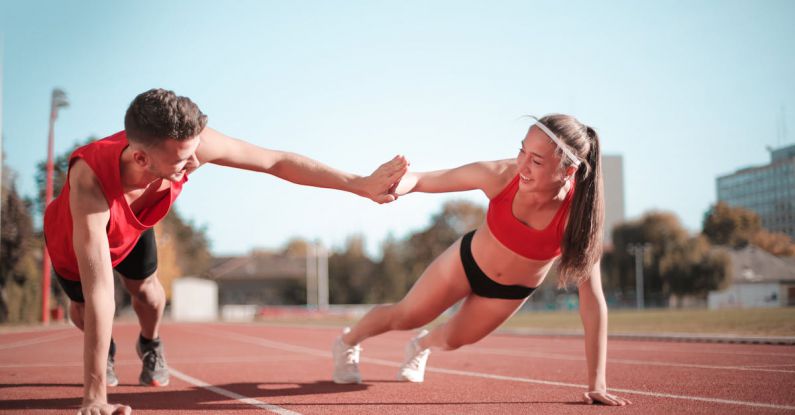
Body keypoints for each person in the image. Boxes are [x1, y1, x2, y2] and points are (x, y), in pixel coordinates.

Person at [43, 88, 408, 415]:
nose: (194, 163)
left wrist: (357, 184)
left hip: (134, 227)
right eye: (182, 161)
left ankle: (150, 344)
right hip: (74, 242)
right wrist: (95, 397)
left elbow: (275, 161)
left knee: (150, 296)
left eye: (193, 152)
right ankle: (105, 352)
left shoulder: (189, 146)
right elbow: (101, 291)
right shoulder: (89, 181)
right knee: (87, 309)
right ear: (141, 159)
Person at [331, 114, 631, 406]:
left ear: (567, 172)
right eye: (521, 151)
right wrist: (394, 186)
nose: (522, 165)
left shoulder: (577, 217)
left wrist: (597, 385)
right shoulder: (501, 175)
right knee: (407, 315)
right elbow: (423, 179)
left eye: (536, 161)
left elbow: (592, 300)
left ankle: (420, 346)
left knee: (452, 340)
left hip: (509, 293)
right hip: (465, 263)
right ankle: (347, 342)